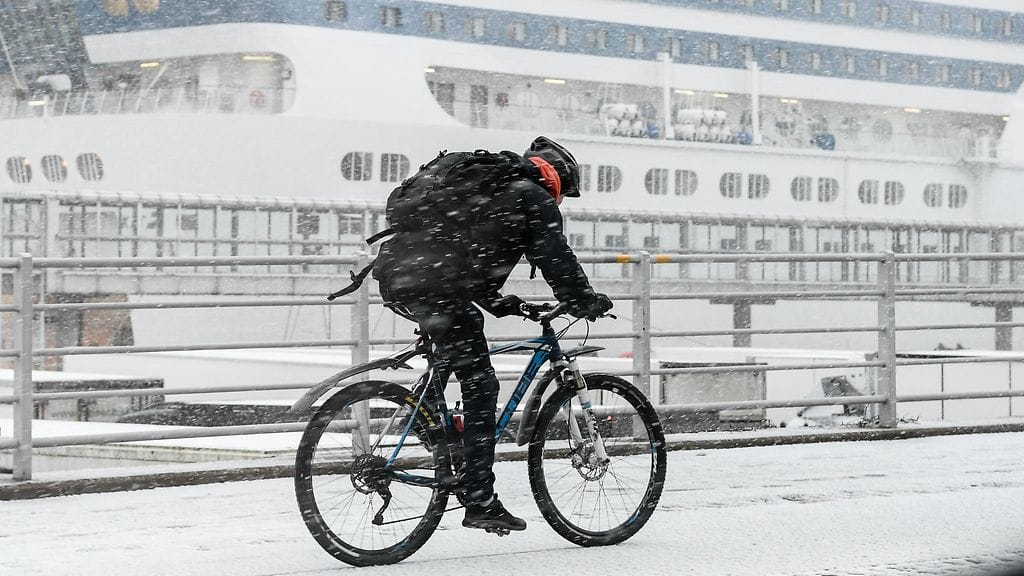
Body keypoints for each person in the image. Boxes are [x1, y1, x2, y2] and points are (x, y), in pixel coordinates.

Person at [372, 136, 613, 533]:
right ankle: (480, 497)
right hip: (434, 286)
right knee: (481, 383)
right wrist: (582, 300)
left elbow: (464, 253)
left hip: (403, 278)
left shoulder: (493, 189)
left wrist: (504, 303)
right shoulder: (531, 196)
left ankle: (437, 429)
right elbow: (554, 256)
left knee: (457, 346)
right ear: (557, 182)